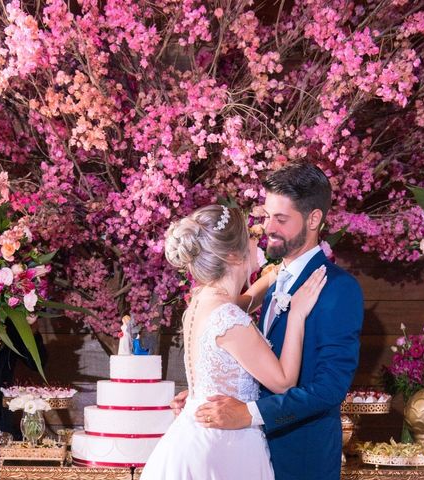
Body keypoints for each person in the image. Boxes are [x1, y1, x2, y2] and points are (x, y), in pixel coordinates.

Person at [182, 162, 364, 480]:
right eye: (267, 216)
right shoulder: (274, 278)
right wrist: (212, 394)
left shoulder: (339, 289)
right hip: (249, 454)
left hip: (301, 459)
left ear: (314, 219)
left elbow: (329, 389)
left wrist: (249, 414)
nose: (268, 228)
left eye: (281, 219)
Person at [140, 203, 327, 480]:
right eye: (249, 237)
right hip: (224, 447)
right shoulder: (228, 318)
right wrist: (297, 313)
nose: (256, 239)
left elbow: (244, 302)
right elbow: (284, 381)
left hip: (192, 438)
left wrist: (274, 276)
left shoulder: (203, 298)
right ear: (233, 255)